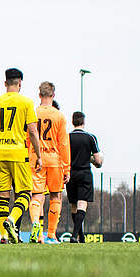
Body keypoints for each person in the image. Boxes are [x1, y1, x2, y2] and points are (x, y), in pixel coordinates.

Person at [0, 69, 43, 243]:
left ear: (5, 83)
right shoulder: (27, 102)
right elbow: (33, 131)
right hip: (18, 153)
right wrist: (39, 155)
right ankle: (11, 220)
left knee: (3, 196)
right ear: (20, 83)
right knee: (25, 193)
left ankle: (4, 237)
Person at [28, 82, 71, 243]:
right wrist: (67, 168)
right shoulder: (59, 116)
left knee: (36, 195)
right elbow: (64, 144)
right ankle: (51, 235)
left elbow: (28, 138)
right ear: (53, 95)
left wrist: (30, 156)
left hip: (36, 158)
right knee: (55, 195)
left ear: (39, 95)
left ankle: (37, 232)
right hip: (54, 159)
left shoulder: (33, 112)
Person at [66, 111, 104, 241]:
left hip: (70, 174)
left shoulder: (66, 137)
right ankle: (74, 235)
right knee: (82, 204)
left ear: (73, 122)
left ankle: (80, 236)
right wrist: (92, 159)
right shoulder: (90, 137)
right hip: (84, 174)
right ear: (83, 122)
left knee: (73, 206)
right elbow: (98, 161)